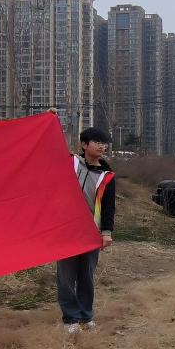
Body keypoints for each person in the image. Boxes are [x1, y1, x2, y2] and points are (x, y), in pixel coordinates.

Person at [57, 127, 116, 334]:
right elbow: (47, 152)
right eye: (97, 142)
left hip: (91, 233)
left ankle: (85, 315)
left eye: (104, 143)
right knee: (66, 277)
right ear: (84, 144)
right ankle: (70, 318)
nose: (102, 146)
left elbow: (109, 207)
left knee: (86, 276)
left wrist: (106, 232)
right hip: (66, 231)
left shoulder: (107, 176)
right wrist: (49, 118)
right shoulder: (71, 163)